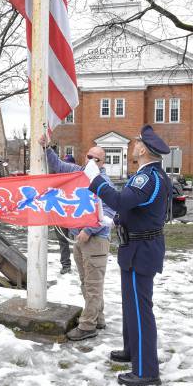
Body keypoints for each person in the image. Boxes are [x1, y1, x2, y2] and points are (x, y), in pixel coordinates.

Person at [84, 124, 170, 386]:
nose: (134, 145)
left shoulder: (148, 177)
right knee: (130, 305)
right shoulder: (148, 175)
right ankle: (132, 350)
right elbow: (132, 209)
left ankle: (146, 370)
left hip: (140, 251)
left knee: (141, 309)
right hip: (135, 248)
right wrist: (117, 220)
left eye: (136, 142)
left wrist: (95, 179)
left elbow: (121, 200)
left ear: (143, 149)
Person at [40, 135, 115, 341]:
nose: (91, 161)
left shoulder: (104, 183)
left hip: (95, 241)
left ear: (103, 162)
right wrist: (47, 147)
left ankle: (87, 325)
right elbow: (56, 165)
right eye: (89, 157)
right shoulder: (78, 173)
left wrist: (89, 231)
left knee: (93, 285)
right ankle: (98, 318)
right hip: (79, 239)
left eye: (96, 159)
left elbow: (109, 213)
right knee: (86, 282)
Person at [57, 154, 76, 274]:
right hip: (61, 214)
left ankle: (81, 263)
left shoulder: (79, 178)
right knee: (62, 241)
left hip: (75, 215)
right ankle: (66, 265)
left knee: (79, 241)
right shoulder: (58, 180)